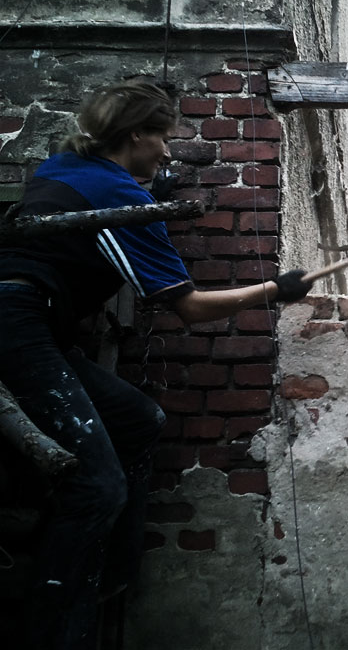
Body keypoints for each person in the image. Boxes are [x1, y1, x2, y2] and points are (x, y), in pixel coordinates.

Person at [0, 80, 311, 649]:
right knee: (97, 485)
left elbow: (102, 196)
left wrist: (149, 193)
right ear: (137, 135)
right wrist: (276, 289)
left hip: (36, 322)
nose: (168, 151)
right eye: (163, 138)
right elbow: (190, 309)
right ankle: (52, 631)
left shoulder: (64, 167)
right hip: (17, 320)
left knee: (138, 419)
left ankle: (109, 575)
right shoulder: (126, 202)